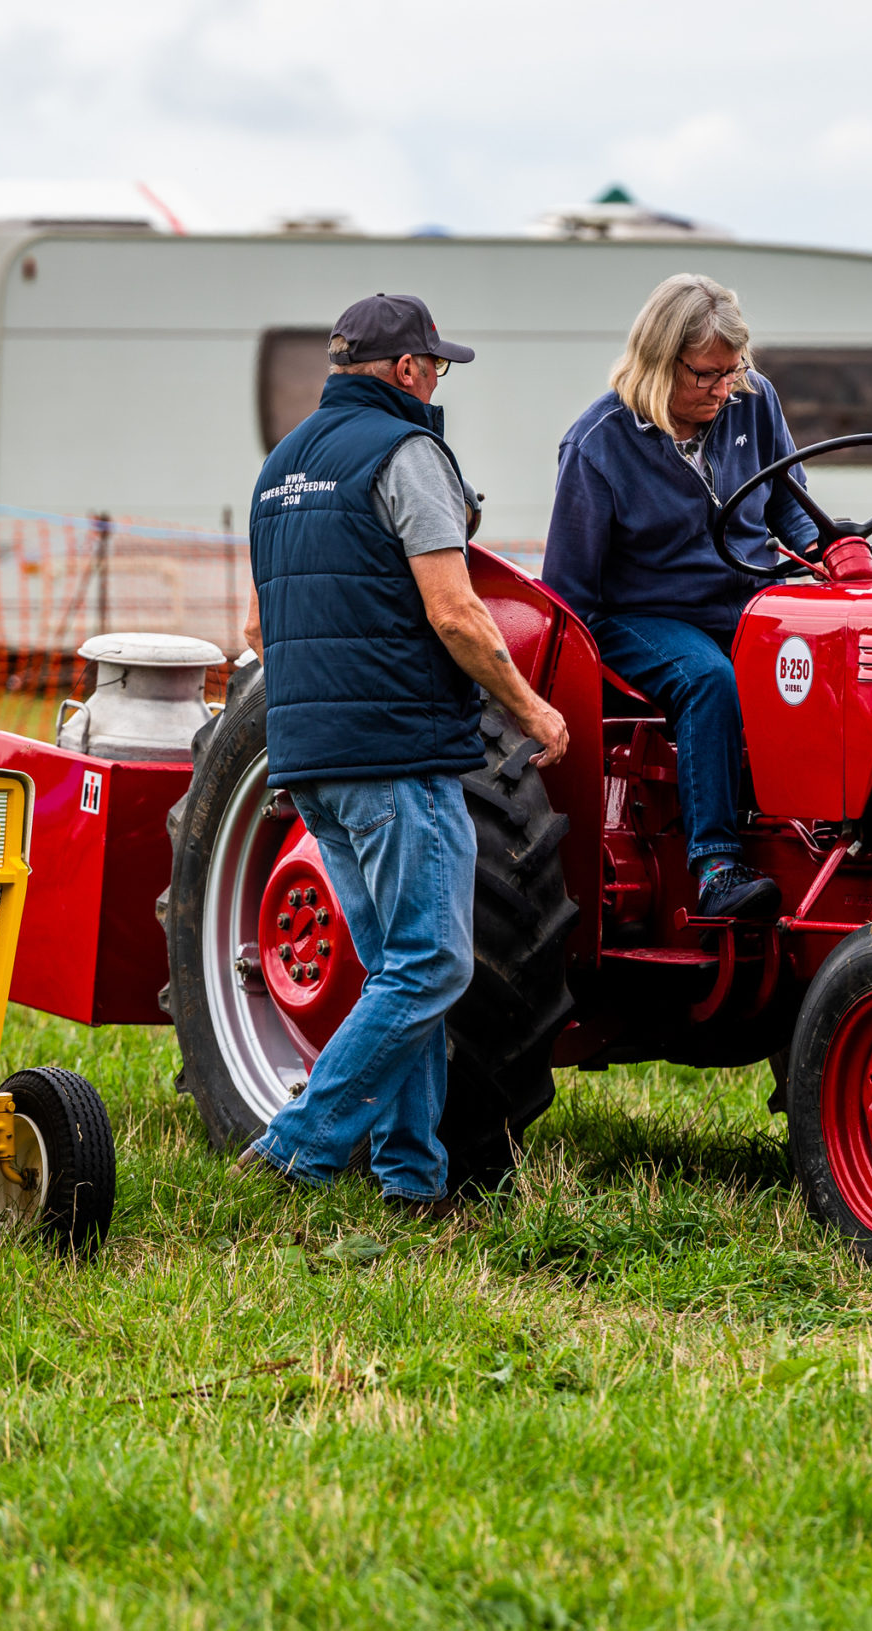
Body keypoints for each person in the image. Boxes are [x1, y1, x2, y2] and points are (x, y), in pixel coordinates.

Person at [235, 293, 570, 1215]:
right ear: (410, 370)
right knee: (433, 967)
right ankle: (295, 1145)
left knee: (399, 971)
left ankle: (412, 1179)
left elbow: (260, 628)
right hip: (397, 755)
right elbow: (456, 613)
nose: (437, 383)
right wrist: (531, 708)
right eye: (437, 367)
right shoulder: (409, 454)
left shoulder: (280, 467)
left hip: (309, 761)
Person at [542, 274, 819, 919]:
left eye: (733, 370)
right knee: (706, 678)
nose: (724, 390)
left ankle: (824, 833)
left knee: (825, 654)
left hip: (749, 601)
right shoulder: (597, 444)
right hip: (639, 615)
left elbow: (790, 505)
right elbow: (569, 598)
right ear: (660, 363)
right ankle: (716, 867)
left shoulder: (753, 399)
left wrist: (831, 553)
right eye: (706, 376)